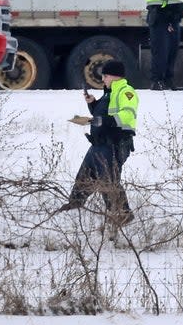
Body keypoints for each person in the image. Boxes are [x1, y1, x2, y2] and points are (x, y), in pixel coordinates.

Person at [57, 59, 137, 226]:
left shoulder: (126, 92)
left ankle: (123, 213)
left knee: (108, 179)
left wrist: (101, 120)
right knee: (85, 173)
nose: (103, 79)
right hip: (99, 144)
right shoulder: (109, 93)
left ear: (114, 76)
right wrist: (93, 104)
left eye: (105, 76)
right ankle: (75, 203)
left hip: (114, 144)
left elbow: (127, 116)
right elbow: (102, 114)